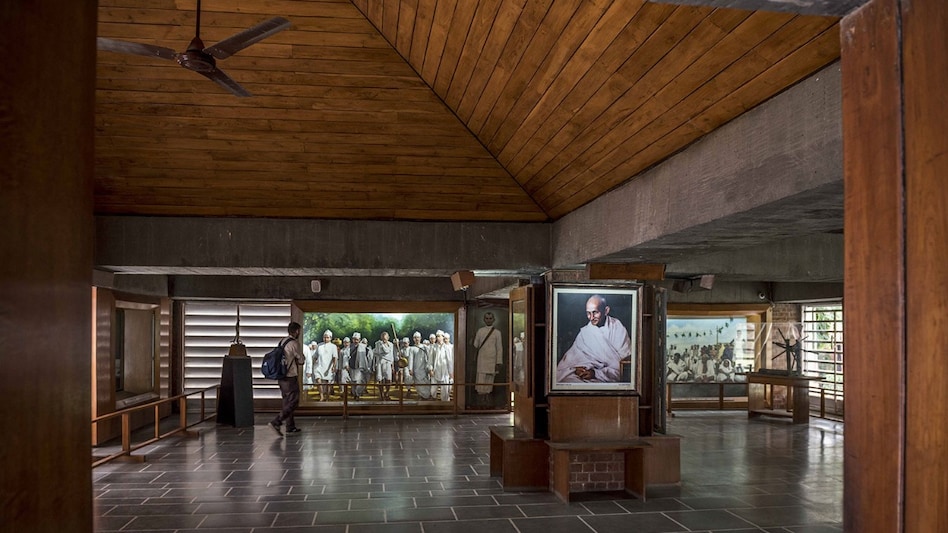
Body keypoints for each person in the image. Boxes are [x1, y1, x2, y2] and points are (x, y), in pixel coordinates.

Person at [555, 295, 631, 383]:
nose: (591, 317)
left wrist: (596, 373)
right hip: (585, 375)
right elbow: (570, 361)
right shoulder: (585, 332)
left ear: (606, 310)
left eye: (595, 312)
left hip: (607, 375)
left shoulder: (617, 327)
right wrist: (576, 369)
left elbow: (624, 364)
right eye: (588, 313)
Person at [269, 321, 304, 436]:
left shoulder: (282, 341)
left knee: (286, 401)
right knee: (294, 401)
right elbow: (301, 360)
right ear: (297, 331)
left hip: (281, 377)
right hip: (290, 377)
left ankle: (290, 426)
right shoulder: (294, 343)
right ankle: (277, 421)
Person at [472, 312, 503, 405]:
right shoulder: (480, 331)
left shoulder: (497, 333)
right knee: (481, 381)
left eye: (490, 318)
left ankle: (487, 402)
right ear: (484, 319)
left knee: (489, 382)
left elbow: (499, 348)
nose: (488, 320)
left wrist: (498, 362)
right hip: (482, 360)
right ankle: (480, 402)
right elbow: (475, 345)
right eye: (487, 318)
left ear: (493, 320)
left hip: (492, 361)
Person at [313, 329, 338, 401]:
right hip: (319, 366)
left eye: (327, 337)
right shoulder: (319, 345)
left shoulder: (333, 346)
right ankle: (321, 396)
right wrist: (313, 363)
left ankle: (327, 396)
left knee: (328, 383)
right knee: (318, 381)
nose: (325, 338)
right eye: (324, 337)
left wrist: (334, 366)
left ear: (330, 338)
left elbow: (335, 357)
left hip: (328, 367)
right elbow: (315, 356)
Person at [431, 330, 454, 401]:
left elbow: (449, 360)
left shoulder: (447, 347)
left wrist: (451, 372)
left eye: (439, 336)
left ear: (443, 337)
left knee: (445, 390)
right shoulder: (433, 347)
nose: (438, 338)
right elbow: (430, 360)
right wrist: (430, 369)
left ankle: (445, 404)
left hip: (445, 371)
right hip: (435, 371)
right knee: (433, 389)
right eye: (437, 336)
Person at [409, 331, 432, 399]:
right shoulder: (412, 348)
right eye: (415, 338)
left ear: (420, 338)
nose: (417, 339)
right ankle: (421, 396)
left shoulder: (424, 347)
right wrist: (410, 369)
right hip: (416, 369)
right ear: (413, 339)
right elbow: (411, 359)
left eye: (418, 337)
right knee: (418, 384)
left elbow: (429, 356)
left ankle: (427, 396)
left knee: (426, 382)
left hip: (424, 368)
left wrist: (429, 367)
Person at [374, 331, 395, 400]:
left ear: (388, 338)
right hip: (380, 363)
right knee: (380, 379)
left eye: (385, 338)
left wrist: (392, 365)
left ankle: (387, 393)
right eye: (383, 338)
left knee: (388, 379)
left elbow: (391, 354)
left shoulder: (391, 344)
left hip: (388, 363)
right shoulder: (378, 344)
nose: (384, 339)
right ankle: (381, 394)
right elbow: (379, 352)